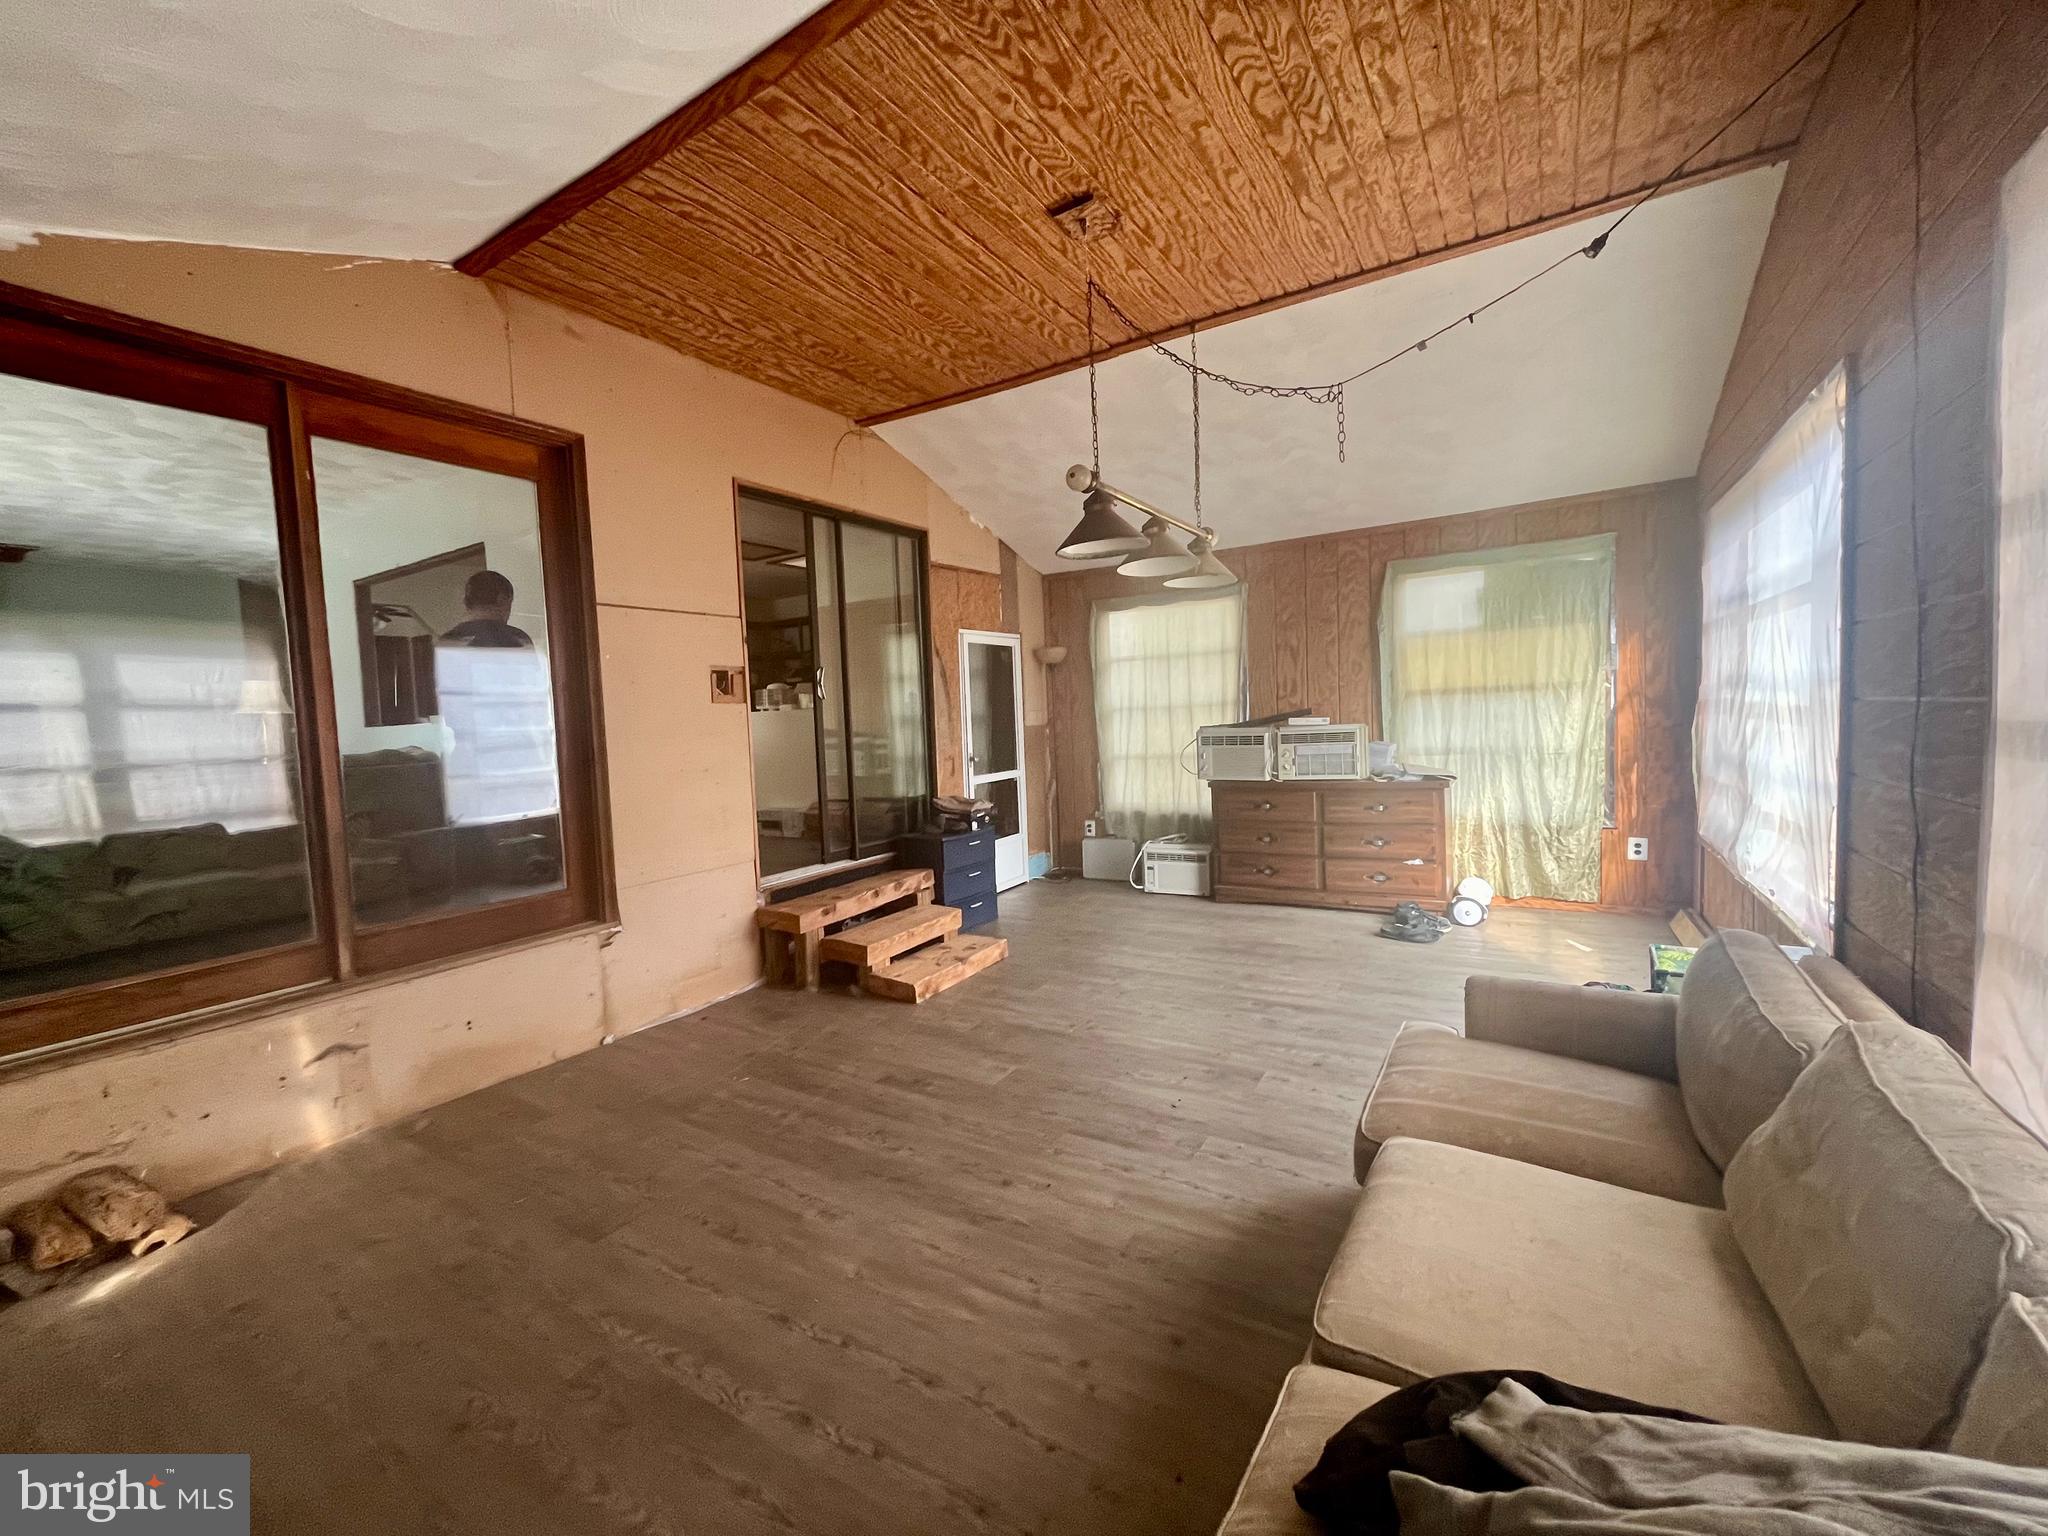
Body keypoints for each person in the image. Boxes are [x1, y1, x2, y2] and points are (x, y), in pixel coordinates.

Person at [439, 570, 532, 648]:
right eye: (510, 603)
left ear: (465, 601)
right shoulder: (518, 639)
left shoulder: (448, 640)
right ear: (502, 600)